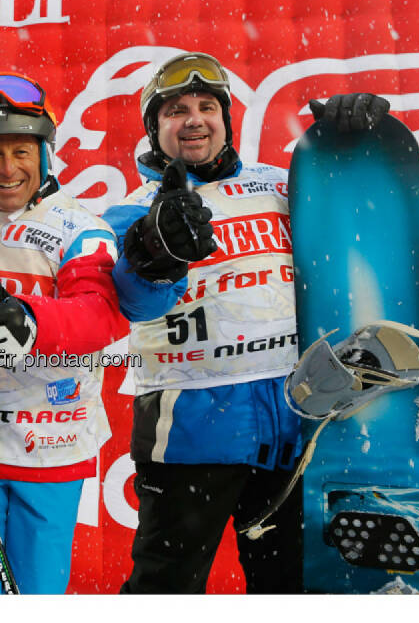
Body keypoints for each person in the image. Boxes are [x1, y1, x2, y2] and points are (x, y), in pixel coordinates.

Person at [101, 51, 391, 593]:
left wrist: (354, 152)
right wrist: (154, 258)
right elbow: (130, 305)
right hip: (190, 435)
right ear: (153, 127)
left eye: (207, 106)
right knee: (166, 589)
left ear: (226, 120)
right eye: (175, 110)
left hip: (293, 423)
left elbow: (349, 231)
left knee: (289, 586)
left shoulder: (281, 186)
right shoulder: (128, 212)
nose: (194, 119)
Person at [0, 73, 167, 594]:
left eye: (21, 152)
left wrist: (36, 321)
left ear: (44, 154)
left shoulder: (77, 227)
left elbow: (102, 313)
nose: (7, 169)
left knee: (36, 592)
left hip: (50, 443)